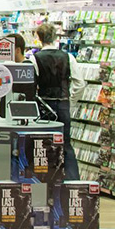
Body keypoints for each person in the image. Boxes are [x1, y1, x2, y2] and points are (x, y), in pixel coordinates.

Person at [29, 23, 86, 181]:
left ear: (39, 37)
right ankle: (73, 182)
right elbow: (80, 83)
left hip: (43, 106)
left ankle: (45, 181)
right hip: (63, 104)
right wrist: (70, 101)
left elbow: (31, 85)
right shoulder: (68, 57)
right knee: (65, 144)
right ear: (55, 37)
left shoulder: (34, 59)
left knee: (42, 145)